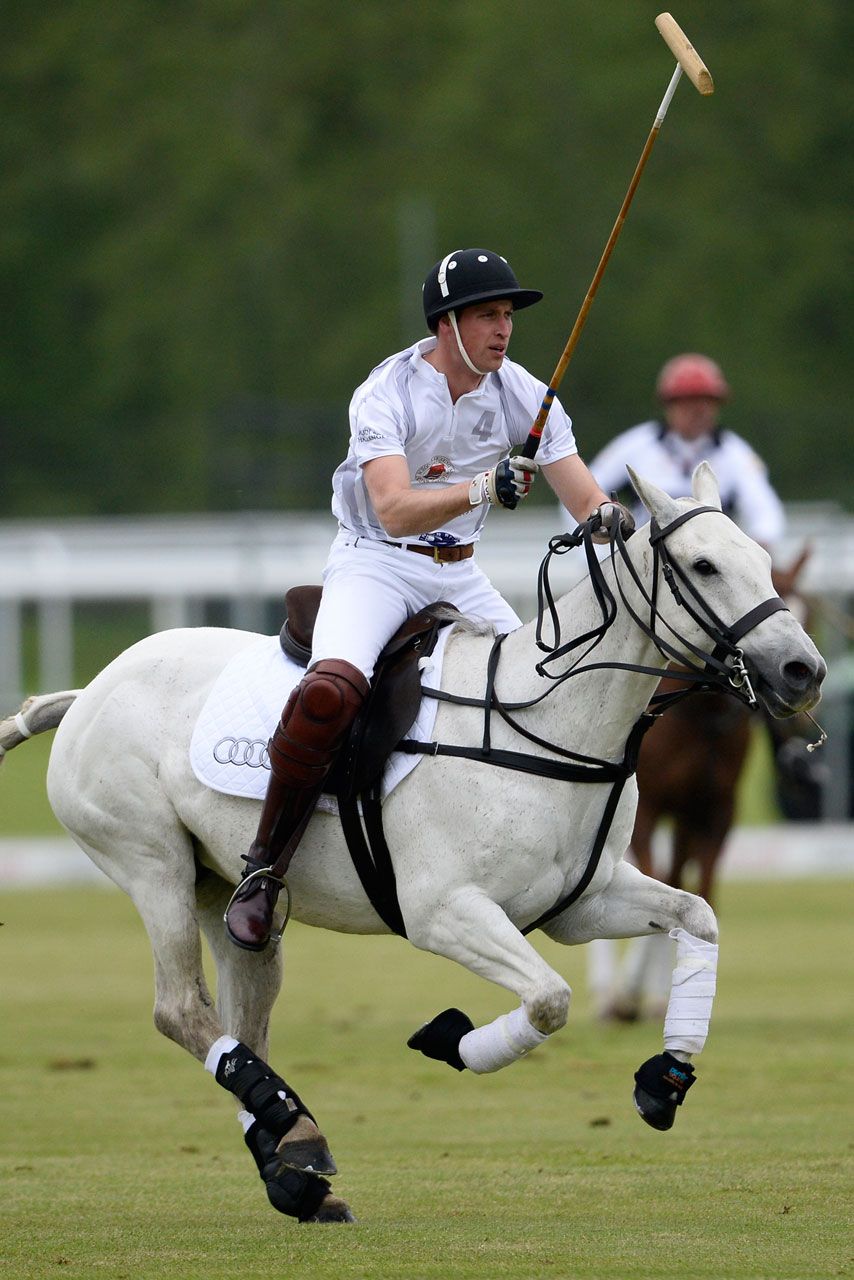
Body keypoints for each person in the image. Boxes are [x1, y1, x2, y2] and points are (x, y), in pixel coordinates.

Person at [225, 247, 633, 950]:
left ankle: (555, 864)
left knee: (548, 686)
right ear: (447, 324)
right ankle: (264, 868)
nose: (503, 329)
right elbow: (391, 509)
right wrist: (483, 487)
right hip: (377, 564)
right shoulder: (386, 392)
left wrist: (614, 524)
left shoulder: (525, 395)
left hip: (460, 571)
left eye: (508, 316)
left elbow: (584, 501)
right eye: (487, 315)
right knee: (332, 692)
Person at [579, 353, 786, 546]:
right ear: (668, 405)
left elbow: (765, 513)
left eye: (705, 402)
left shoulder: (735, 453)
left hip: (712, 567)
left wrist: (753, 551)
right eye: (687, 402)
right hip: (645, 565)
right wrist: (598, 558)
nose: (698, 411)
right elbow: (587, 488)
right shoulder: (636, 446)